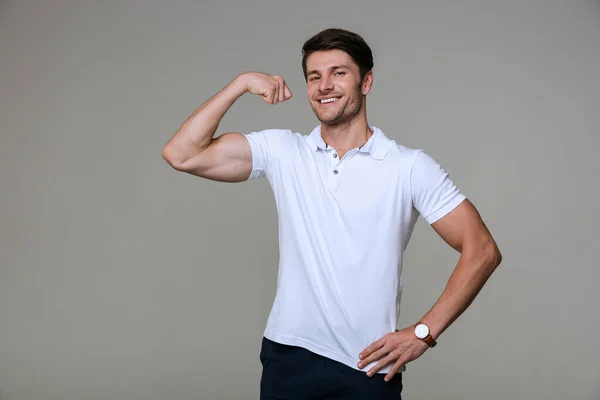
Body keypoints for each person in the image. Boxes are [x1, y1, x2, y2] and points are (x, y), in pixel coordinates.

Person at [162, 28, 502, 400]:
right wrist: (241, 83)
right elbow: (182, 153)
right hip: (288, 356)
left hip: (369, 365)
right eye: (314, 76)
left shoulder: (408, 167)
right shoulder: (284, 151)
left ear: (366, 81)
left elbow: (482, 250)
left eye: (338, 73)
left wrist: (424, 332)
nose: (325, 85)